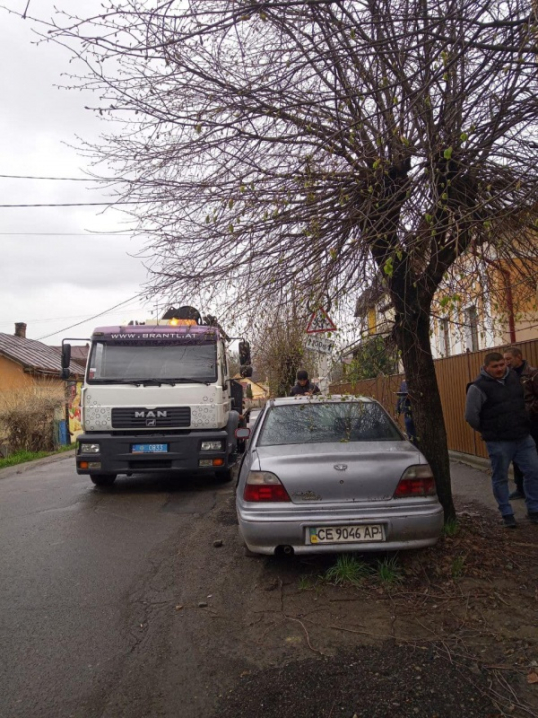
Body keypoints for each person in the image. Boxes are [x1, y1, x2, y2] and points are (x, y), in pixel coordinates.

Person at [465, 351, 538, 528]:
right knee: (500, 477)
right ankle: (507, 513)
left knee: (533, 471)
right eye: (495, 366)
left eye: (501, 365)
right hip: (498, 441)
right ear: (486, 368)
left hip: (522, 436)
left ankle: (534, 509)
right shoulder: (478, 387)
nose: (499, 369)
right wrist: (488, 430)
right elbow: (471, 416)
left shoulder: (514, 378)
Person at [503, 347, 538, 500]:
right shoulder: (507, 376)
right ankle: (520, 487)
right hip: (515, 421)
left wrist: (528, 411)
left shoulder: (532, 374)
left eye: (509, 359)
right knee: (516, 455)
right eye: (505, 359)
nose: (506, 362)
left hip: (533, 421)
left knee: (533, 456)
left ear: (519, 357)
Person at [396, 379, 417, 445]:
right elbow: (399, 398)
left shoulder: (414, 382)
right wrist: (397, 412)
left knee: (413, 432)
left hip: (414, 411)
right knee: (410, 431)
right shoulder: (403, 383)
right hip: (407, 411)